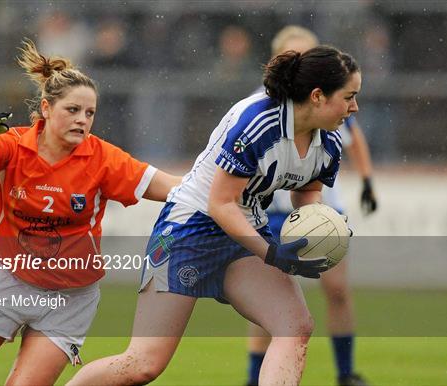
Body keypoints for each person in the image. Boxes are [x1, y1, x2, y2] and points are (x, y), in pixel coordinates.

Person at [68, 44, 361, 386]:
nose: (355, 107)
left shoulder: (330, 142)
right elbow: (219, 204)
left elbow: (307, 190)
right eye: (349, 96)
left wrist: (319, 227)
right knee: (142, 364)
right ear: (317, 96)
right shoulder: (258, 122)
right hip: (188, 229)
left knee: (294, 326)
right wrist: (271, 253)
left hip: (243, 227)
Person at [0, 39, 180, 386]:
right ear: (46, 108)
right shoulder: (13, 144)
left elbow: (174, 187)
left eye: (89, 113)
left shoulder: (103, 158)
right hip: (10, 279)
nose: (82, 120)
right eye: (72, 110)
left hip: (70, 297)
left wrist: (228, 180)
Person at [245, 25, 376, 386]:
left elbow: (353, 138)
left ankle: (346, 373)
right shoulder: (262, 107)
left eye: (308, 54)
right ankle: (253, 378)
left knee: (336, 291)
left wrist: (367, 180)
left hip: (321, 211)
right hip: (272, 214)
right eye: (294, 55)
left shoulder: (332, 105)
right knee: (266, 304)